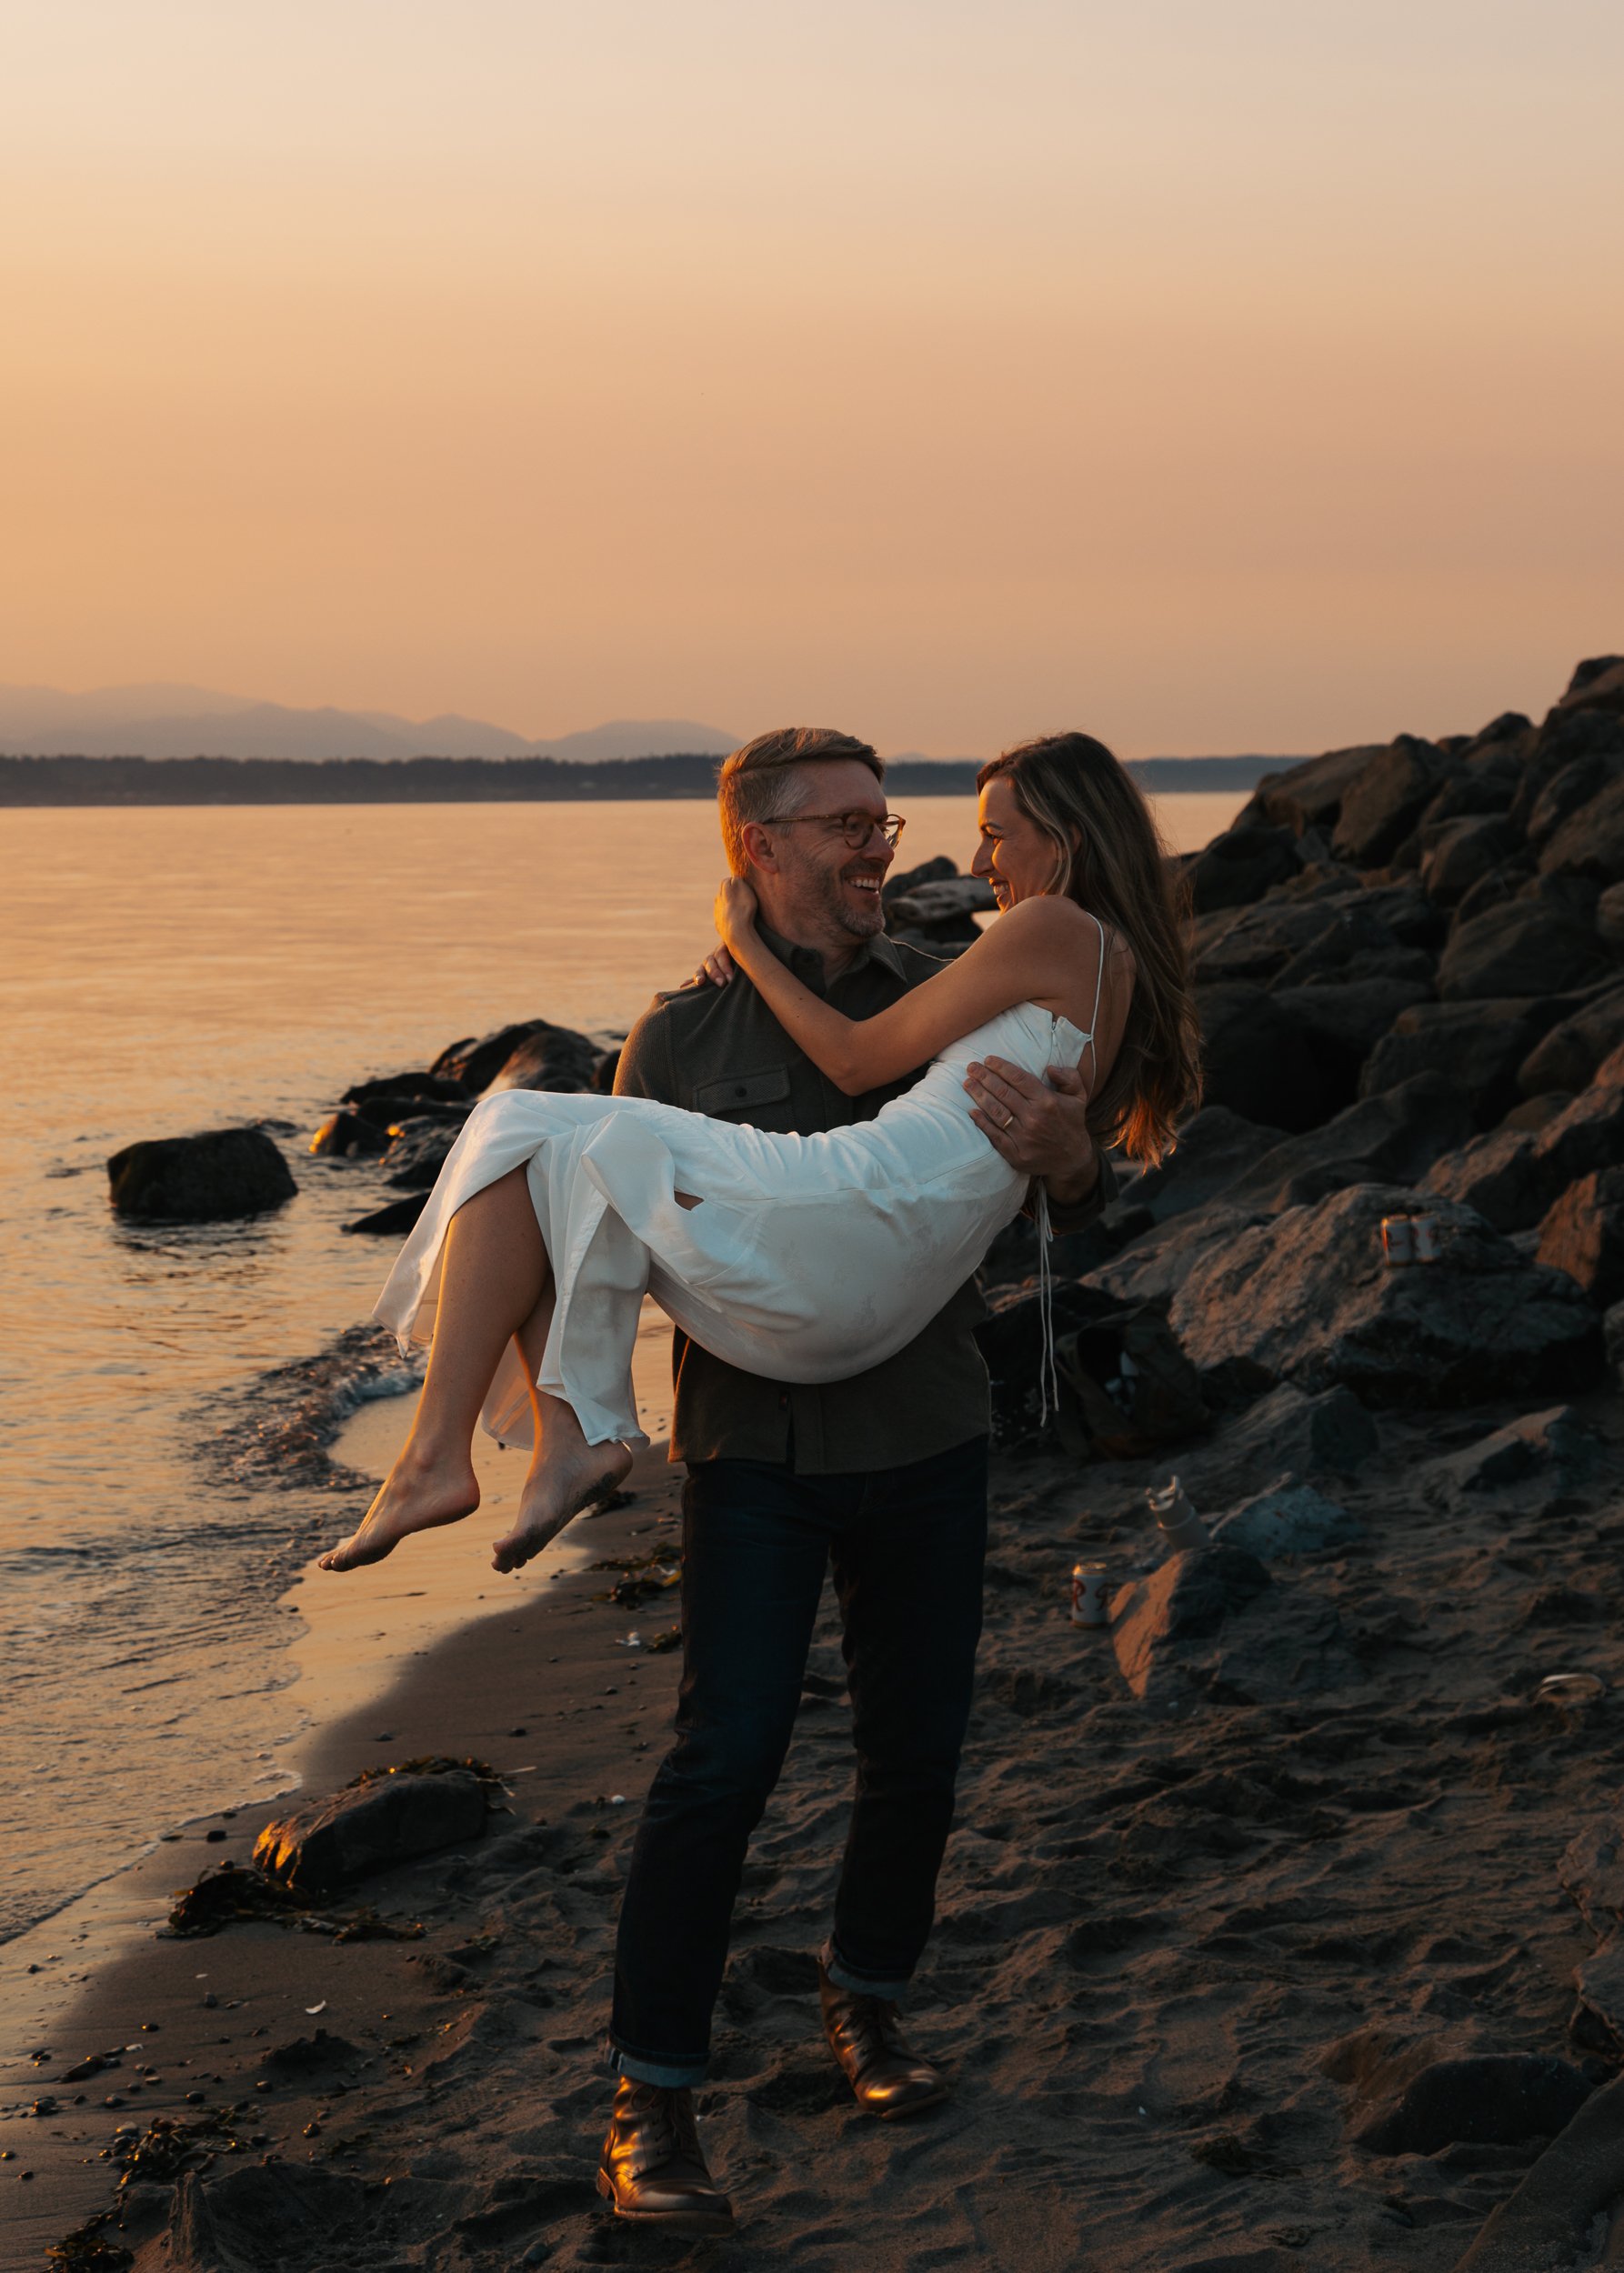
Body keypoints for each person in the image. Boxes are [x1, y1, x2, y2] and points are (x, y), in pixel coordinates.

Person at [318, 726, 1199, 2234]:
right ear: (762, 848)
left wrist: (1071, 1165)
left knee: (913, 1756)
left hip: (921, 1424)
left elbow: (1054, 1160)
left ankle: (868, 2006)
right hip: (755, 1452)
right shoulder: (682, 1035)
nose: (887, 851)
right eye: (849, 827)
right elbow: (620, 1233)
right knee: (718, 1766)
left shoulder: (944, 976)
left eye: (889, 822)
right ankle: (648, 2096)